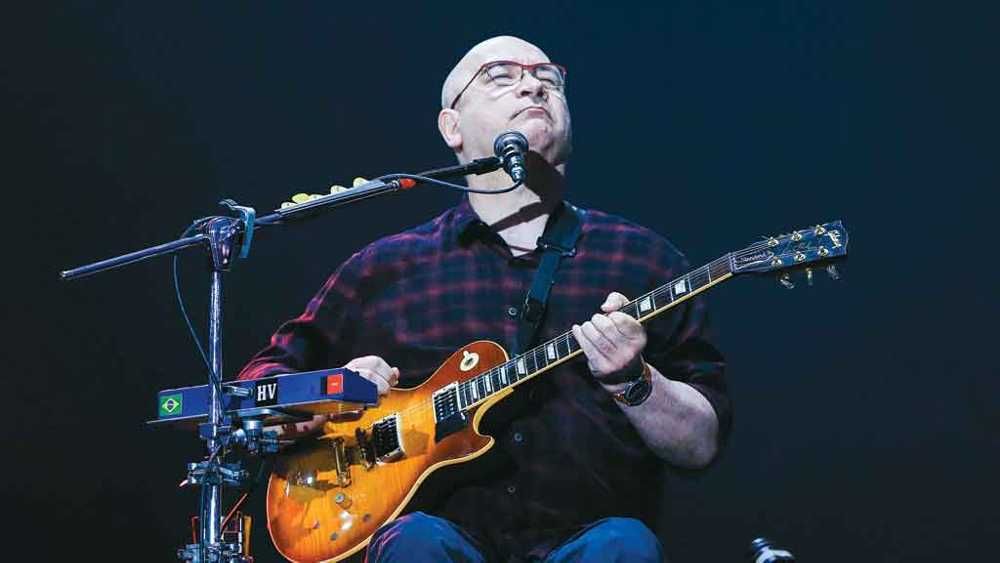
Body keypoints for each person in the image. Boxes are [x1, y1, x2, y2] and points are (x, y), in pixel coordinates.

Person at [237, 35, 730, 563]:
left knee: (625, 545)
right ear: (451, 126)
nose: (533, 84)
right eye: (501, 75)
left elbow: (701, 443)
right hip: (431, 545)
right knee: (416, 542)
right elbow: (250, 396)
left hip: (595, 545)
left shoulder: (646, 263)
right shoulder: (386, 269)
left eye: (550, 78)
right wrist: (332, 395)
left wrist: (634, 381)